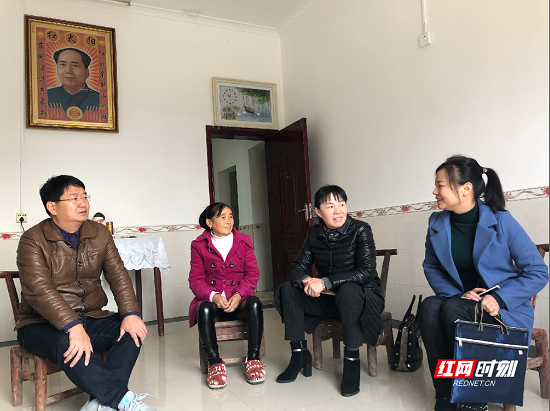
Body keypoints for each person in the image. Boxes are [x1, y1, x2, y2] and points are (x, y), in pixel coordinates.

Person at [418, 155, 549, 411]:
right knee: (430, 307)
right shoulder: (436, 223)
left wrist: (498, 298)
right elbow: (431, 266)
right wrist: (457, 294)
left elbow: (537, 271)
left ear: (465, 188)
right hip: (460, 302)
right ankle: (445, 395)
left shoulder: (501, 220)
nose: (434, 191)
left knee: (452, 310)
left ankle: (474, 401)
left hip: (502, 309)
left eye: (440, 185)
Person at [16, 175, 157, 411]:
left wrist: (130, 313)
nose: (83, 203)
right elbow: (39, 291)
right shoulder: (32, 240)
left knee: (132, 330)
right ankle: (122, 400)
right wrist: (73, 326)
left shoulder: (99, 233)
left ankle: (99, 403)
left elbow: (118, 275)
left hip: (91, 316)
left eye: (84, 196)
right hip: (39, 323)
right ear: (52, 207)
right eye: (74, 198)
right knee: (65, 342)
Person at [273, 185, 384, 397]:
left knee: (349, 290)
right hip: (332, 300)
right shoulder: (314, 234)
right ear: (318, 211)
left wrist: (325, 282)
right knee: (288, 288)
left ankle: (351, 361)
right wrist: (306, 280)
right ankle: (299, 354)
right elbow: (297, 267)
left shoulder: (361, 229)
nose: (338, 210)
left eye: (341, 204)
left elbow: (367, 271)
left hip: (363, 297)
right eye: (330, 206)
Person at [188, 203, 265, 389]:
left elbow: (252, 274)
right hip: (215, 302)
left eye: (231, 216)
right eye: (223, 217)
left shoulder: (244, 241)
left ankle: (253, 359)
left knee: (255, 304)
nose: (229, 221)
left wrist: (239, 295)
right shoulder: (198, 245)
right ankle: (215, 362)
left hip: (239, 300)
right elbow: (195, 280)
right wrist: (213, 296)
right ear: (209, 222)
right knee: (203, 309)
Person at [48, 47, 100, 115]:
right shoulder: (47, 96)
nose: (68, 71)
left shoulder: (100, 100)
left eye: (75, 66)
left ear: (87, 72)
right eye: (63, 65)